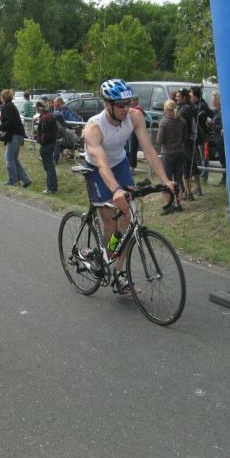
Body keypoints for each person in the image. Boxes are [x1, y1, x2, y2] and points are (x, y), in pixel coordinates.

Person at [82, 79, 177, 296]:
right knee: (110, 220)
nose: (126, 108)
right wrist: (116, 190)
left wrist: (165, 180)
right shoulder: (94, 127)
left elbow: (149, 150)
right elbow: (101, 163)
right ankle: (106, 255)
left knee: (127, 219)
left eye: (128, 103)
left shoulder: (134, 116)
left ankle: (118, 271)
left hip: (120, 163)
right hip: (97, 168)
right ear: (107, 104)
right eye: (120, 105)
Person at [156, 99, 187, 214]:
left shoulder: (164, 122)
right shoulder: (182, 121)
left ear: (165, 109)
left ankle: (168, 205)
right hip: (180, 152)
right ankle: (178, 204)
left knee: (167, 180)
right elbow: (185, 137)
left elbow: (159, 140)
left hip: (168, 153)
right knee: (178, 179)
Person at [0, 89, 31, 187]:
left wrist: (0, 127)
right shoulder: (12, 105)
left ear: (3, 97)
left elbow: (9, 122)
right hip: (19, 134)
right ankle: (25, 180)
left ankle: (13, 180)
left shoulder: (6, 106)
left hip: (14, 135)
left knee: (8, 158)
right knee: (14, 158)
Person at [178, 88, 201, 200]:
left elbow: (180, 125)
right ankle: (198, 188)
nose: (177, 99)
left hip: (186, 141)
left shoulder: (184, 110)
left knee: (186, 166)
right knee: (193, 164)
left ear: (183, 98)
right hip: (192, 140)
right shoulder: (192, 107)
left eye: (178, 97)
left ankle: (188, 193)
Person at [191, 86, 213, 184]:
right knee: (197, 157)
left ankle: (204, 177)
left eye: (191, 93)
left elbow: (211, 115)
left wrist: (209, 122)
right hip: (196, 135)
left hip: (203, 135)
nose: (190, 95)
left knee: (204, 156)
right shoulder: (194, 104)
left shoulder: (202, 105)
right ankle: (198, 175)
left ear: (195, 95)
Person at [36, 103, 58, 194]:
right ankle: (52, 187)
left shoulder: (45, 118)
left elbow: (44, 133)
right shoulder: (50, 116)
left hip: (46, 145)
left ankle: (51, 188)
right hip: (51, 143)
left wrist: (41, 140)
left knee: (49, 167)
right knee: (50, 166)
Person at [209, 91, 226, 186]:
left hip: (221, 140)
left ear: (218, 100)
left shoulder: (222, 112)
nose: (212, 101)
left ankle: (225, 179)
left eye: (213, 99)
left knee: (223, 160)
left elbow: (222, 127)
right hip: (217, 139)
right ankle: (224, 178)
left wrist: (212, 124)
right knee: (221, 160)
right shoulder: (215, 111)